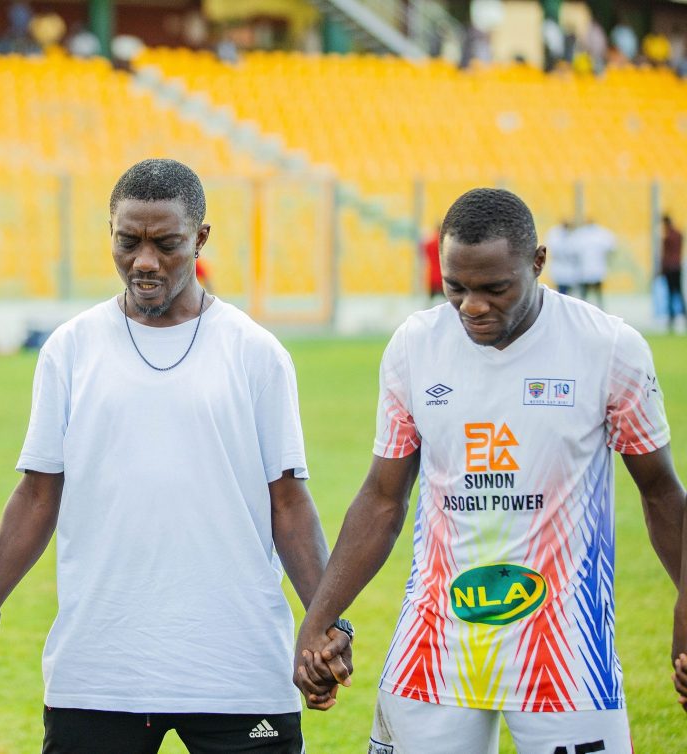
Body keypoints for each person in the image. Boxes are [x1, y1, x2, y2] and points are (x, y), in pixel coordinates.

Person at [0, 158, 348, 752]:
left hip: (238, 671)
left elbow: (288, 503)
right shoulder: (71, 349)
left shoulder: (256, 353)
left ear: (200, 239)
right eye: (128, 242)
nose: (145, 262)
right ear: (110, 234)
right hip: (100, 670)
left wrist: (325, 623)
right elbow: (37, 496)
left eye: (167, 244)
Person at [294, 188, 686, 752]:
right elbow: (382, 498)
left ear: (538, 262)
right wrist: (320, 618)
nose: (472, 307)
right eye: (456, 287)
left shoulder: (608, 348)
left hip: (566, 652)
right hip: (433, 647)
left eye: (495, 289)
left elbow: (662, 494)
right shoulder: (415, 347)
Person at [572, 218, 616, 308]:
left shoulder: (582, 234)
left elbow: (573, 251)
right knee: (593, 293)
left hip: (589, 269)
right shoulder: (602, 233)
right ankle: (596, 308)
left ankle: (588, 308)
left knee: (590, 293)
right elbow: (612, 249)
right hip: (590, 269)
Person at [661, 214, 685, 333]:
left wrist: (662, 269)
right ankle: (683, 315)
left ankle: (672, 318)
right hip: (677, 267)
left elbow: (666, 255)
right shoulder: (679, 234)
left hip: (670, 268)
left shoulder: (667, 237)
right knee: (679, 293)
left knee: (671, 294)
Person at [544, 219, 578, 295]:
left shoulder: (572, 234)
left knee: (568, 291)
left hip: (569, 268)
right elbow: (554, 249)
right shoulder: (555, 234)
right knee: (561, 290)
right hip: (560, 266)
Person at [422, 225, 444, 302]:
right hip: (443, 275)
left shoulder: (429, 243)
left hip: (432, 275)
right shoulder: (445, 243)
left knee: (430, 301)